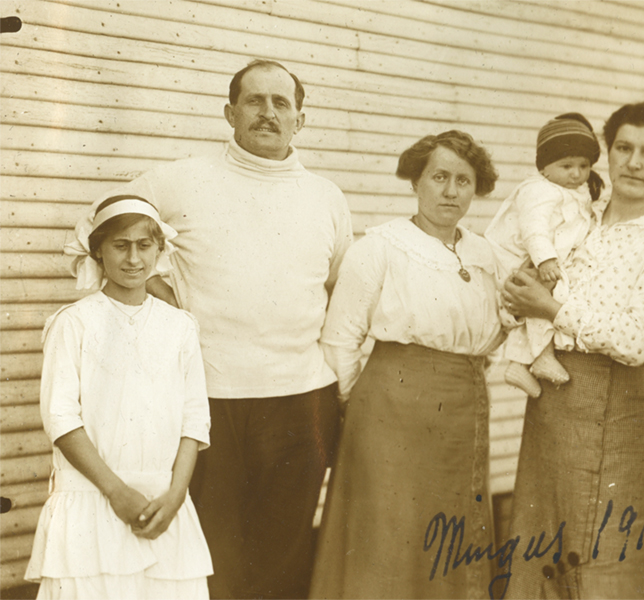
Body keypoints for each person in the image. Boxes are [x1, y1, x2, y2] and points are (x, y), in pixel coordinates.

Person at [89, 60, 353, 599]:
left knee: (285, 552)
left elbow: (337, 287)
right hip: (209, 397)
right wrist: (156, 293)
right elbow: (97, 228)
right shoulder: (178, 180)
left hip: (302, 397)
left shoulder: (327, 196)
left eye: (281, 103)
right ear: (229, 112)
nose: (268, 112)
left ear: (300, 120)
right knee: (213, 550)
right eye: (254, 101)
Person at [501, 101, 644, 599]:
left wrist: (548, 307)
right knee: (546, 545)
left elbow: (639, 341)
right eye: (623, 148)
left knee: (608, 552)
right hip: (553, 402)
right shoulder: (578, 215)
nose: (634, 162)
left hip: (618, 406)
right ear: (605, 155)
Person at [310, 130, 503, 599]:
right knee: (389, 531)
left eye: (464, 180)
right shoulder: (379, 247)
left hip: (463, 408)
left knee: (453, 528)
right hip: (389, 411)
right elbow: (340, 340)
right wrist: (369, 403)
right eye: (439, 177)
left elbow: (494, 335)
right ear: (416, 181)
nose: (451, 191)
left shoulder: (485, 254)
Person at [25, 196, 212, 599]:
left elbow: (195, 418)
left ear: (160, 251)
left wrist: (177, 494)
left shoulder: (180, 327)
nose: (133, 258)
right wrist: (116, 491)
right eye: (120, 245)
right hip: (93, 500)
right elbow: (61, 418)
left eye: (144, 245)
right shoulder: (73, 323)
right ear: (97, 251)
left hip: (163, 505)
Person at [484, 112, 604, 398]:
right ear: (545, 167)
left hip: (537, 259)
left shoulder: (572, 190)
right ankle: (541, 356)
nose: (576, 173)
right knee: (548, 297)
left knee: (552, 296)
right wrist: (546, 259)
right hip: (517, 257)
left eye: (583, 166)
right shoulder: (538, 190)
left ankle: (520, 364)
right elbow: (533, 229)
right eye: (566, 165)